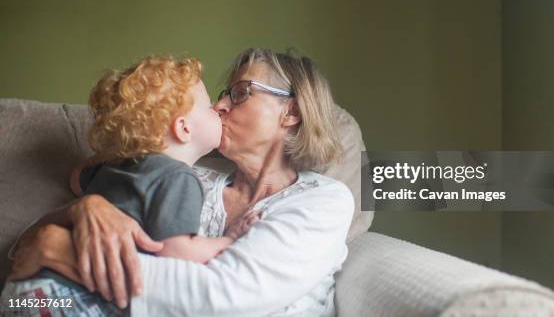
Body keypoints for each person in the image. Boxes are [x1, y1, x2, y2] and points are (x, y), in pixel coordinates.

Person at [3, 48, 355, 316]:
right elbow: (23, 249)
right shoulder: (184, 177)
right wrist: (85, 208)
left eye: (241, 92)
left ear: (290, 112)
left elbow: (225, 297)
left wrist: (65, 254)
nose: (219, 105)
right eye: (223, 93)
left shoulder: (324, 199)